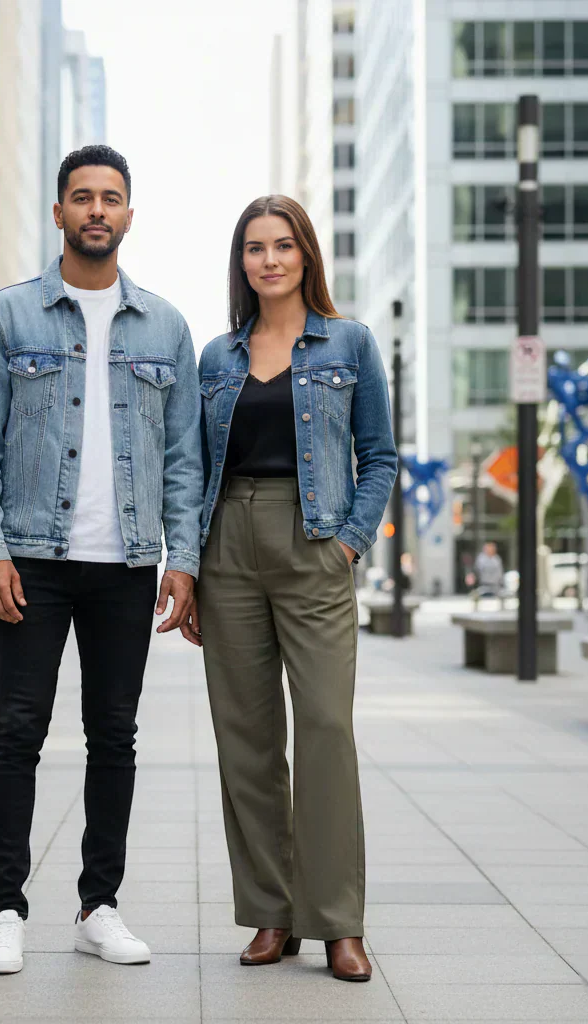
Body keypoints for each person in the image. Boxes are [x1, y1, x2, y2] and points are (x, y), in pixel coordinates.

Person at [0, 145, 204, 975]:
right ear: (59, 213)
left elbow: (182, 459)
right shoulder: (8, 316)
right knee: (17, 731)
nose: (97, 210)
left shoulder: (166, 326)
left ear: (130, 214)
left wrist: (184, 558)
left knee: (115, 734)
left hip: (127, 564)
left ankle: (99, 905)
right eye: (82, 198)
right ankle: (4, 909)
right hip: (31, 558)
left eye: (111, 198)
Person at [195, 196, 397, 981]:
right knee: (246, 740)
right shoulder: (217, 356)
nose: (269, 259)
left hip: (316, 542)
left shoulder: (349, 342)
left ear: (307, 255)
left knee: (324, 731)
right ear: (242, 261)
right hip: (230, 548)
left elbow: (379, 455)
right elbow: (193, 465)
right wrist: (188, 564)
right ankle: (271, 917)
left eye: (283, 246)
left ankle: (339, 921)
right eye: (255, 247)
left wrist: (350, 542)